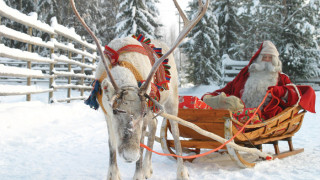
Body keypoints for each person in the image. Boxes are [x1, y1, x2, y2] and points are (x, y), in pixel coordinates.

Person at [202, 40, 316, 119]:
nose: (266, 60)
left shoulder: (281, 78)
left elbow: (294, 96)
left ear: (275, 60)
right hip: (238, 113)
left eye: (270, 57)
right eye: (264, 57)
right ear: (258, 58)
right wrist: (212, 95)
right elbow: (230, 87)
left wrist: (279, 91)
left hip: (263, 117)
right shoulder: (246, 73)